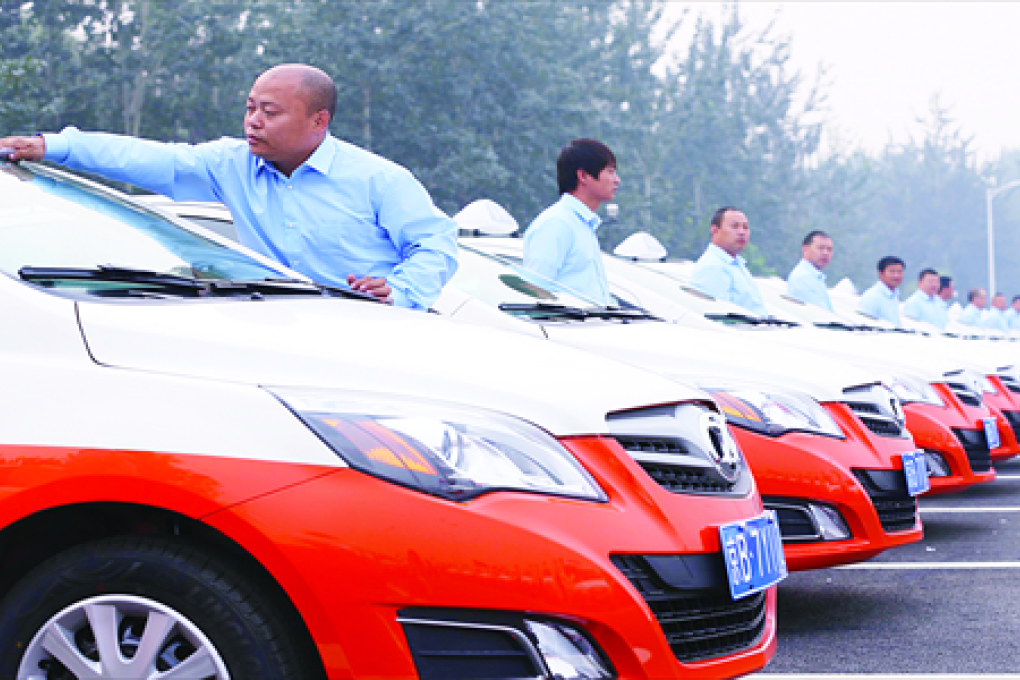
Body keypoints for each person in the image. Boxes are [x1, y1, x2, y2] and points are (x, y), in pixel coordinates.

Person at [0, 63, 457, 310]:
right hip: (279, 329)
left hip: (375, 334)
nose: (253, 121)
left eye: (271, 112)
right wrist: (52, 147)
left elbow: (436, 243)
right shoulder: (232, 164)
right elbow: (149, 158)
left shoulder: (380, 179)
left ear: (319, 121)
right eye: (250, 107)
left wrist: (400, 292)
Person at [523, 138, 618, 306]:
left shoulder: (582, 225)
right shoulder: (557, 223)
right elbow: (536, 290)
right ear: (583, 176)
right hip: (565, 329)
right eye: (610, 172)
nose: (617, 180)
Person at [689, 207, 768, 316]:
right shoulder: (712, 266)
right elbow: (719, 317)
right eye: (734, 226)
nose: (741, 232)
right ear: (714, 230)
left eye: (745, 228)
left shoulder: (736, 264)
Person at [786, 230, 834, 311]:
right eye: (820, 248)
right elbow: (820, 315)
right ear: (805, 249)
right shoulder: (802, 277)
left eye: (829, 249)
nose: (825, 253)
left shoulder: (816, 278)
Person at [858, 256, 904, 325]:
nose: (896, 276)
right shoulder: (872, 297)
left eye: (899, 272)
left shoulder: (894, 295)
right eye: (892, 272)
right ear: (880, 273)